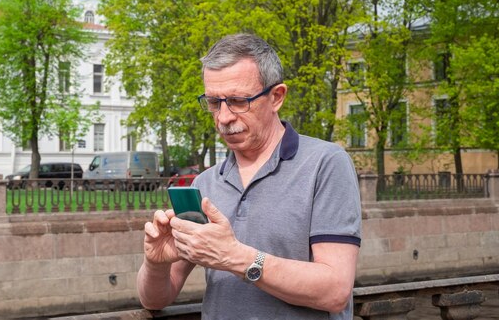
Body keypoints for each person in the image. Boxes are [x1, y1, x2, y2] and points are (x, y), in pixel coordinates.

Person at [137, 33, 362, 319]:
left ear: (276, 97)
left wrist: (235, 257)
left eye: (238, 101)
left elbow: (335, 291)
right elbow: (155, 300)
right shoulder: (204, 184)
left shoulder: (325, 164)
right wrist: (155, 264)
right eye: (214, 102)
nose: (224, 117)